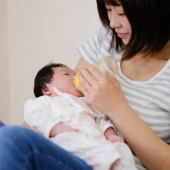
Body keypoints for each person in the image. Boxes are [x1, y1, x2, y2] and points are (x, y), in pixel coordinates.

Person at [0, 0, 170, 169]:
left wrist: (117, 109)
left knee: (10, 139)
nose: (112, 23)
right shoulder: (109, 37)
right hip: (66, 152)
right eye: (108, 9)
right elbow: (63, 100)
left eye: (121, 13)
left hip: (107, 162)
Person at [24, 62, 136, 170]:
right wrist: (56, 128)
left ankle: (118, 165)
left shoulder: (87, 102)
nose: (76, 77)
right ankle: (106, 162)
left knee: (121, 147)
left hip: (95, 141)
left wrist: (110, 134)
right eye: (67, 74)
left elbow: (102, 119)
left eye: (75, 74)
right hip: (65, 141)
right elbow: (35, 115)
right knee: (65, 139)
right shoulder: (44, 102)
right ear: (46, 89)